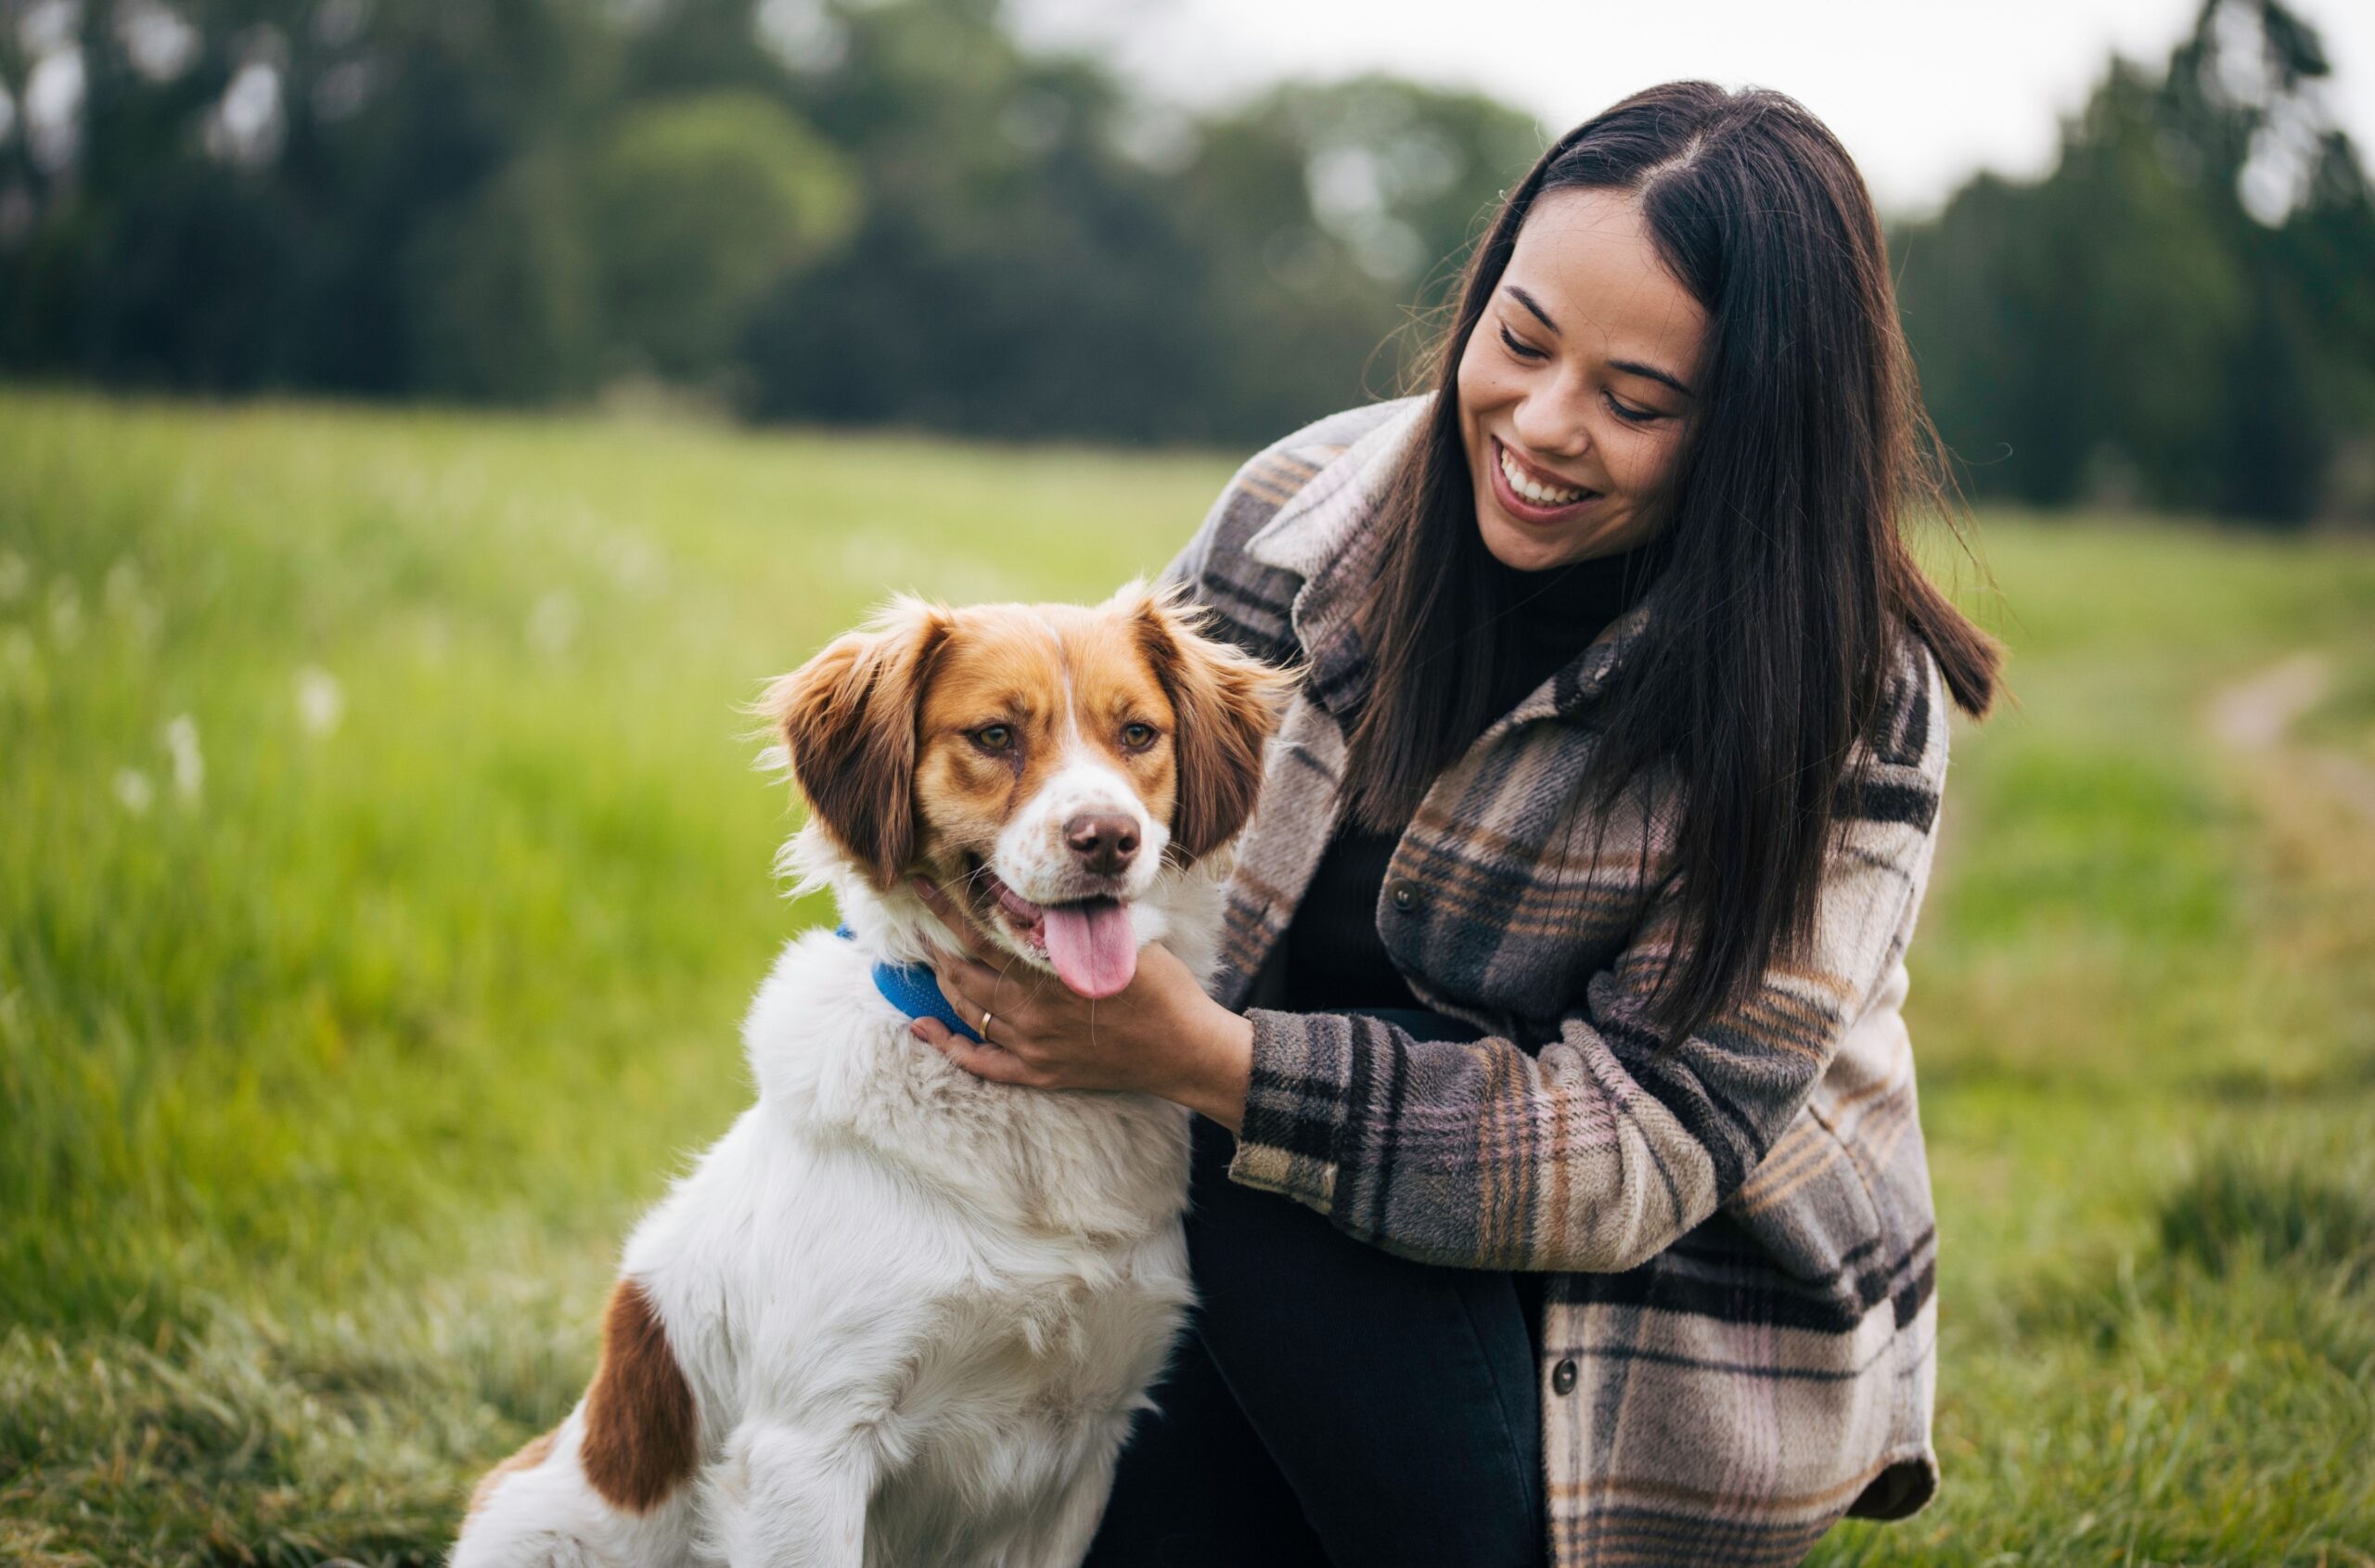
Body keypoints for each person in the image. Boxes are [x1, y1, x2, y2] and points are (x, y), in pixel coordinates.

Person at [908, 80, 2001, 1568]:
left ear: (1754, 429)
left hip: (1639, 1347)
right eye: (1521, 339)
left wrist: (1214, 1061)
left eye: (1636, 401)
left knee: (1258, 1135)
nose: (1542, 427)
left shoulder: (1846, 692)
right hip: (1264, 1262)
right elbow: (1072, 824)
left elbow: (1639, 1148)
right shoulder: (1299, 511)